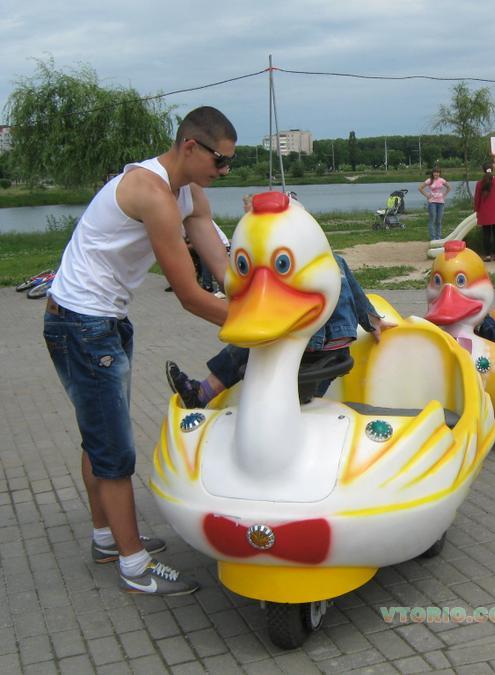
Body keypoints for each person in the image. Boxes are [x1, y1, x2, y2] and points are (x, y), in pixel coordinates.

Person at [43, 106, 237, 596]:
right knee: (113, 449)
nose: (224, 170)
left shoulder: (188, 193)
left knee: (99, 436)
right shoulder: (152, 193)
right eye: (219, 160)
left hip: (103, 320)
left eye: (230, 162)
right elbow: (190, 295)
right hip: (82, 324)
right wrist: (259, 328)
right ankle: (135, 567)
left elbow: (219, 265)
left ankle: (108, 538)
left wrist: (253, 297)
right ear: (190, 146)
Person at [166, 254, 394, 407]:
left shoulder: (298, 267)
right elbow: (357, 294)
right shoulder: (332, 259)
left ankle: (202, 394)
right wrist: (374, 322)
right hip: (338, 346)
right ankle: (203, 394)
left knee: (252, 346)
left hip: (317, 344)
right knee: (304, 399)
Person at [473, 163, 495, 262]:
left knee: (486, 235)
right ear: (492, 169)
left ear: (483, 170)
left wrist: (476, 210)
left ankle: (487, 256)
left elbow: (477, 199)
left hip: (484, 213)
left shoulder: (479, 183)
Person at [419, 168, 451, 241]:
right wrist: (427, 195)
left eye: (438, 172)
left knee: (439, 220)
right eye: (435, 172)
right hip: (432, 201)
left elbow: (449, 187)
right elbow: (420, 188)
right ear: (432, 173)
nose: (436, 174)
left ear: (439, 173)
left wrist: (444, 195)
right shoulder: (429, 180)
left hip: (441, 202)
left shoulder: (442, 180)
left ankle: (438, 237)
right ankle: (433, 238)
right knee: (432, 219)